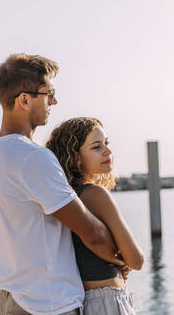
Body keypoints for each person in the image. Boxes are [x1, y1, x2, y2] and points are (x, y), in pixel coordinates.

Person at [0, 54, 125, 315]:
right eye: (49, 93)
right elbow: (91, 232)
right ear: (24, 100)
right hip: (47, 305)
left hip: (10, 300)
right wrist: (121, 257)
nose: (54, 101)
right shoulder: (32, 157)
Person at [46, 117, 144, 315]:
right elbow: (136, 260)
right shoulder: (95, 194)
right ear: (75, 157)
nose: (107, 151)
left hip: (83, 301)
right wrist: (122, 261)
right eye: (96, 147)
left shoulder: (67, 198)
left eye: (107, 143)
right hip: (108, 301)